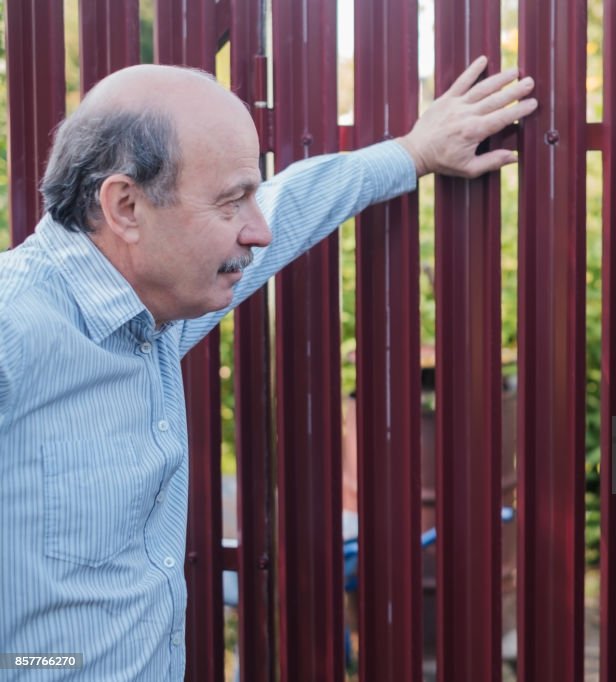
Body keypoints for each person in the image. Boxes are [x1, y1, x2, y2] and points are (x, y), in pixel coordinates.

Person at [0, 58, 535, 679]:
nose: (256, 230)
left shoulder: (150, 314)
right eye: (232, 202)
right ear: (125, 206)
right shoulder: (15, 327)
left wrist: (413, 152)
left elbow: (289, 211)